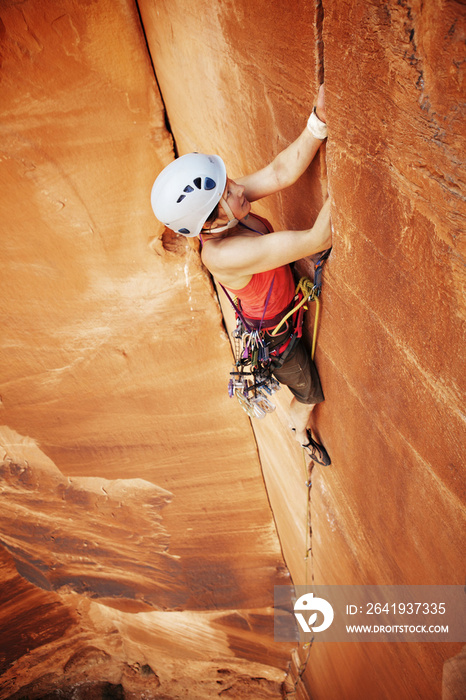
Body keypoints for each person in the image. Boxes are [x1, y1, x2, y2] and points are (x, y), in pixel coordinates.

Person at [151, 85, 332, 465]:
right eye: (228, 190)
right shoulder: (224, 253)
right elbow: (318, 237)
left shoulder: (225, 209)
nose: (238, 186)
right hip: (276, 339)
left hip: (277, 312)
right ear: (211, 221)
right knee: (309, 392)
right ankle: (298, 430)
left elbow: (281, 171)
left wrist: (320, 117)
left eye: (229, 183)